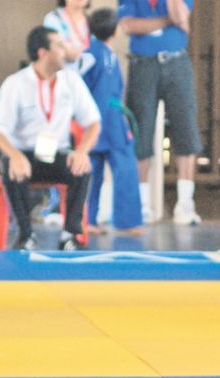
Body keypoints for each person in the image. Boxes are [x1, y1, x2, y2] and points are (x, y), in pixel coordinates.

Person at [0, 26, 101, 250]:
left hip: (57, 154)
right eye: (59, 45)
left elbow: (93, 123)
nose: (65, 51)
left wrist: (81, 151)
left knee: (82, 166)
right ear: (43, 52)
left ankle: (69, 235)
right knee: (11, 166)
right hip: (25, 155)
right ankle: (25, 235)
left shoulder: (71, 80)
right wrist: (15, 154)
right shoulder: (16, 84)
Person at [118, 0, 203, 225]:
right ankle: (142, 204)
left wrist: (170, 17)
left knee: (185, 127)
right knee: (140, 130)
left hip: (176, 61)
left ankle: (185, 204)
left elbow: (182, 18)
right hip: (142, 64)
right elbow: (128, 25)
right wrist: (167, 21)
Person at [79, 8, 144, 234]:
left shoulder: (104, 53)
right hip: (100, 120)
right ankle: (91, 220)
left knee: (106, 169)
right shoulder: (90, 54)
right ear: (114, 31)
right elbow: (79, 83)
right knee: (101, 170)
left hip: (110, 119)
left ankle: (102, 220)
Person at [43, 0, 91, 71]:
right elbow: (67, 54)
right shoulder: (54, 19)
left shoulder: (92, 21)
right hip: (64, 76)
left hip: (91, 77)